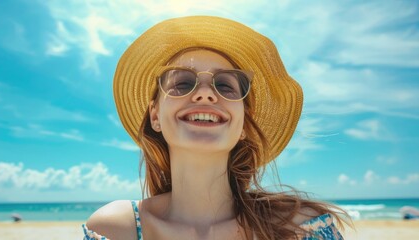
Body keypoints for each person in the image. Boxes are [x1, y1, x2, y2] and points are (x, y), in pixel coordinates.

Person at [83, 16, 349, 240]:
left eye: (224, 85)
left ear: (244, 122)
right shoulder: (116, 229)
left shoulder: (300, 229)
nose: (205, 94)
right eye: (183, 83)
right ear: (155, 116)